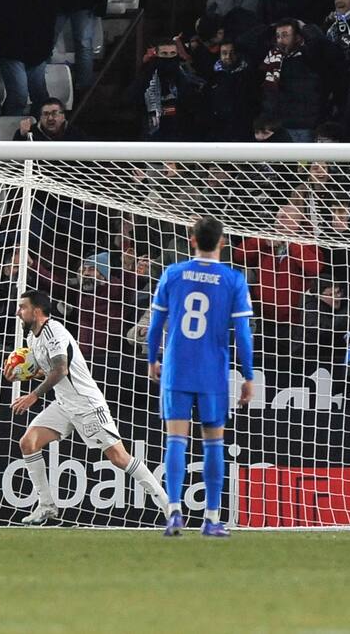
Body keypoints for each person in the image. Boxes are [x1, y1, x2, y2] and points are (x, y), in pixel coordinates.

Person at [9, 289, 168, 525]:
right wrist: (24, 374)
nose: (18, 312)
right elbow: (49, 371)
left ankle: (168, 505)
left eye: (23, 307)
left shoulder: (55, 332)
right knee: (28, 443)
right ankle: (46, 506)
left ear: (37, 310)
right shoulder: (32, 338)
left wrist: (33, 395)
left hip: (86, 403)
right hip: (64, 404)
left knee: (119, 457)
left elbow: (61, 369)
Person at [145, 216, 254, 537]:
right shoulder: (233, 279)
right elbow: (244, 335)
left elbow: (155, 326)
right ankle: (210, 518)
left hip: (177, 367)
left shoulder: (173, 273)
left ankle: (175, 512)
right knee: (213, 443)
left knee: (176, 439)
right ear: (222, 242)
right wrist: (248, 376)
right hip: (212, 373)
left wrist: (153, 359)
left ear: (192, 239)